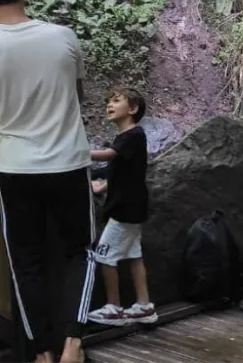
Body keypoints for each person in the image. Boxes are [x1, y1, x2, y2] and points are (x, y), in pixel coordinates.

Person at [0, 0, 94, 363]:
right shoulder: (63, 37)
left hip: (14, 168)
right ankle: (74, 342)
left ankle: (41, 353)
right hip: (69, 162)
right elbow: (79, 95)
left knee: (26, 262)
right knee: (81, 252)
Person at [87, 87, 157, 326]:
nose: (110, 105)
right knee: (133, 255)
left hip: (124, 210)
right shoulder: (128, 138)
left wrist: (79, 152)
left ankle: (113, 308)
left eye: (116, 101)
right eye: (108, 101)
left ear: (133, 108)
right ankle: (144, 305)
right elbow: (127, 173)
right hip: (133, 207)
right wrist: (103, 186)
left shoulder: (133, 135)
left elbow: (108, 156)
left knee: (104, 256)